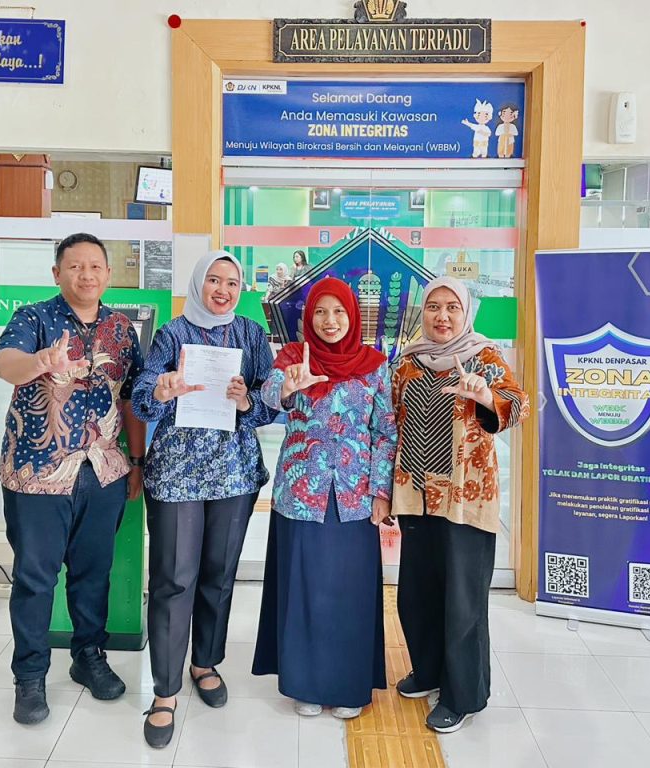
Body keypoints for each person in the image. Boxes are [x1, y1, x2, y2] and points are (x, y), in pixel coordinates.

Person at [0, 232, 146, 726]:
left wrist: (137, 460)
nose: (86, 275)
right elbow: (5, 364)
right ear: (57, 273)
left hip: (102, 471)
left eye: (95, 266)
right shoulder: (33, 318)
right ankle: (30, 677)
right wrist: (41, 361)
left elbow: (131, 399)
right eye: (75, 266)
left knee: (93, 573)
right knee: (35, 579)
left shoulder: (122, 329)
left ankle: (88, 657)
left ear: (108, 274)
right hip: (37, 472)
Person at [131, 251, 277, 748]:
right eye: (214, 280)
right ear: (198, 283)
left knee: (219, 574)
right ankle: (165, 691)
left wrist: (247, 400)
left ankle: (205, 663)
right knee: (173, 579)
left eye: (231, 282)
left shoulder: (251, 334)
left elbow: (271, 401)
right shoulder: (172, 334)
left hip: (234, 473)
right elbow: (141, 394)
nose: (222, 290)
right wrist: (163, 390)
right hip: (178, 474)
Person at [252, 277, 398, 720]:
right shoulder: (293, 357)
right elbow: (267, 398)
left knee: (350, 590)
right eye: (320, 312)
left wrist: (381, 491)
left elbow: (385, 431)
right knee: (304, 587)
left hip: (355, 496)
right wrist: (287, 387)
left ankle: (349, 685)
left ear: (352, 315)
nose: (329, 321)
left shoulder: (374, 365)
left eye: (338, 312)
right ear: (308, 316)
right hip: (301, 493)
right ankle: (306, 684)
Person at [390, 276, 529, 733]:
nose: (442, 316)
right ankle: (428, 671)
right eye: (434, 306)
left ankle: (462, 695)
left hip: (465, 501)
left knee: (462, 602)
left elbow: (519, 404)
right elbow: (390, 420)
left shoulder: (483, 356)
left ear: (466, 312)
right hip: (416, 496)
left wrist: (484, 395)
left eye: (452, 307)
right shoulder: (407, 362)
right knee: (417, 594)